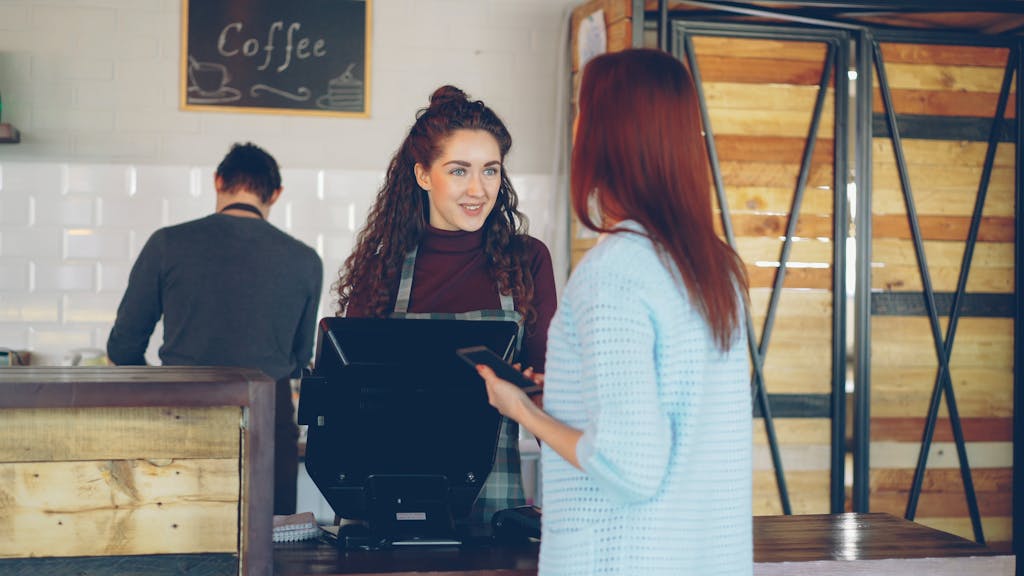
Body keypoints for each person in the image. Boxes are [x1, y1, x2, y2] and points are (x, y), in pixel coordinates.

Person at [477, 49, 753, 575]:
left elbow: (628, 467)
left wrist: (522, 410)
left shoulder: (615, 271)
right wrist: (556, 398)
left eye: (583, 113)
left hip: (624, 558)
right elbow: (672, 419)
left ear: (606, 137)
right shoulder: (714, 268)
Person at [335, 85, 557, 525]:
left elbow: (551, 397)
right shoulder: (383, 271)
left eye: (490, 171)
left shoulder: (526, 261)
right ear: (423, 175)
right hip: (386, 505)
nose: (478, 189)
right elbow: (348, 408)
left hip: (494, 510)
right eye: (459, 171)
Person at [107, 142, 323, 516]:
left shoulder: (167, 243)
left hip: (182, 414)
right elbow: (299, 358)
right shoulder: (305, 260)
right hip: (267, 421)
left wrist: (159, 393)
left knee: (180, 535)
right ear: (275, 194)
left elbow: (123, 346)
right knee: (268, 546)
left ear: (218, 181)